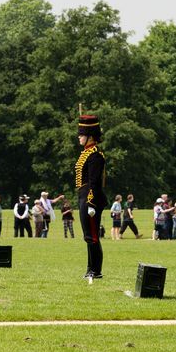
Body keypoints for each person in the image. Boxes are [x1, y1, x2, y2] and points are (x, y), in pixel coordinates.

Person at [76, 114, 108, 279]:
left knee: (93, 235)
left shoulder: (95, 155)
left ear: (90, 136)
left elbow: (94, 182)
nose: (79, 137)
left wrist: (91, 203)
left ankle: (95, 270)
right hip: (84, 197)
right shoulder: (87, 153)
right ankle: (91, 268)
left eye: (82, 134)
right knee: (88, 236)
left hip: (90, 198)